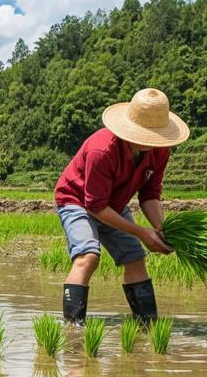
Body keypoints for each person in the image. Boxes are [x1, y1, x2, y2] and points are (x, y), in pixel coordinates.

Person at [54, 88, 190, 324]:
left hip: (114, 204)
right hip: (76, 200)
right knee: (88, 256)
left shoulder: (160, 151)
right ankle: (74, 329)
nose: (151, 142)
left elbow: (150, 193)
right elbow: (95, 206)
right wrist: (142, 232)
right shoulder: (102, 150)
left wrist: (161, 229)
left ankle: (148, 326)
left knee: (135, 258)